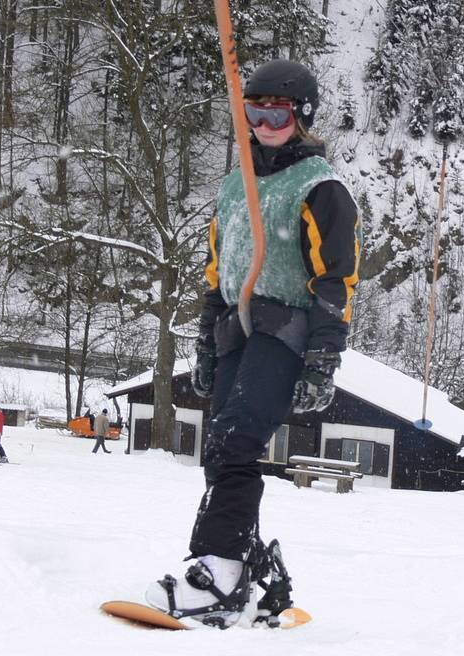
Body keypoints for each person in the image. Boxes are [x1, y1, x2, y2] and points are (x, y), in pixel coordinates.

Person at [146, 59, 361, 627]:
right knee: (220, 451)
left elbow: (335, 281)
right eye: (253, 111)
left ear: (302, 117)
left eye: (277, 113)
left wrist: (322, 360)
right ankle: (259, 573)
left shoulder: (322, 189)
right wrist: (206, 345)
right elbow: (220, 271)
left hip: (286, 333)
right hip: (237, 331)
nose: (263, 125)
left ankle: (219, 572)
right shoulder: (234, 184)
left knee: (233, 446)